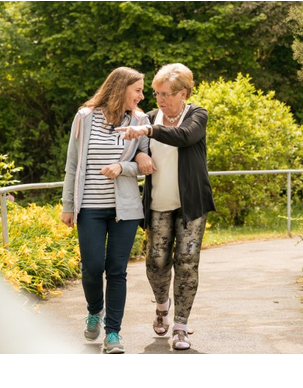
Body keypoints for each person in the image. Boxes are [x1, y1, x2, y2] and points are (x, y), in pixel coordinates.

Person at [116, 63, 216, 350]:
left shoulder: (196, 115)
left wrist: (148, 130)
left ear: (182, 93)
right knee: (156, 261)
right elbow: (131, 150)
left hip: (191, 205)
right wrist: (138, 159)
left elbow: (185, 136)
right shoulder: (147, 118)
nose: (159, 99)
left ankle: (181, 326)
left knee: (186, 262)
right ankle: (162, 306)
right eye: (156, 93)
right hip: (158, 204)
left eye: (165, 94)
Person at [61, 66, 151, 354]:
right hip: (89, 207)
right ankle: (93, 311)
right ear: (120, 88)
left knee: (116, 270)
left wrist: (123, 166)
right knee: (92, 267)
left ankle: (113, 333)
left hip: (125, 209)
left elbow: (146, 163)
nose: (141, 95)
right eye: (137, 89)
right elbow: (73, 164)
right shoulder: (85, 117)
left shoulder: (140, 120)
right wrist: (68, 206)